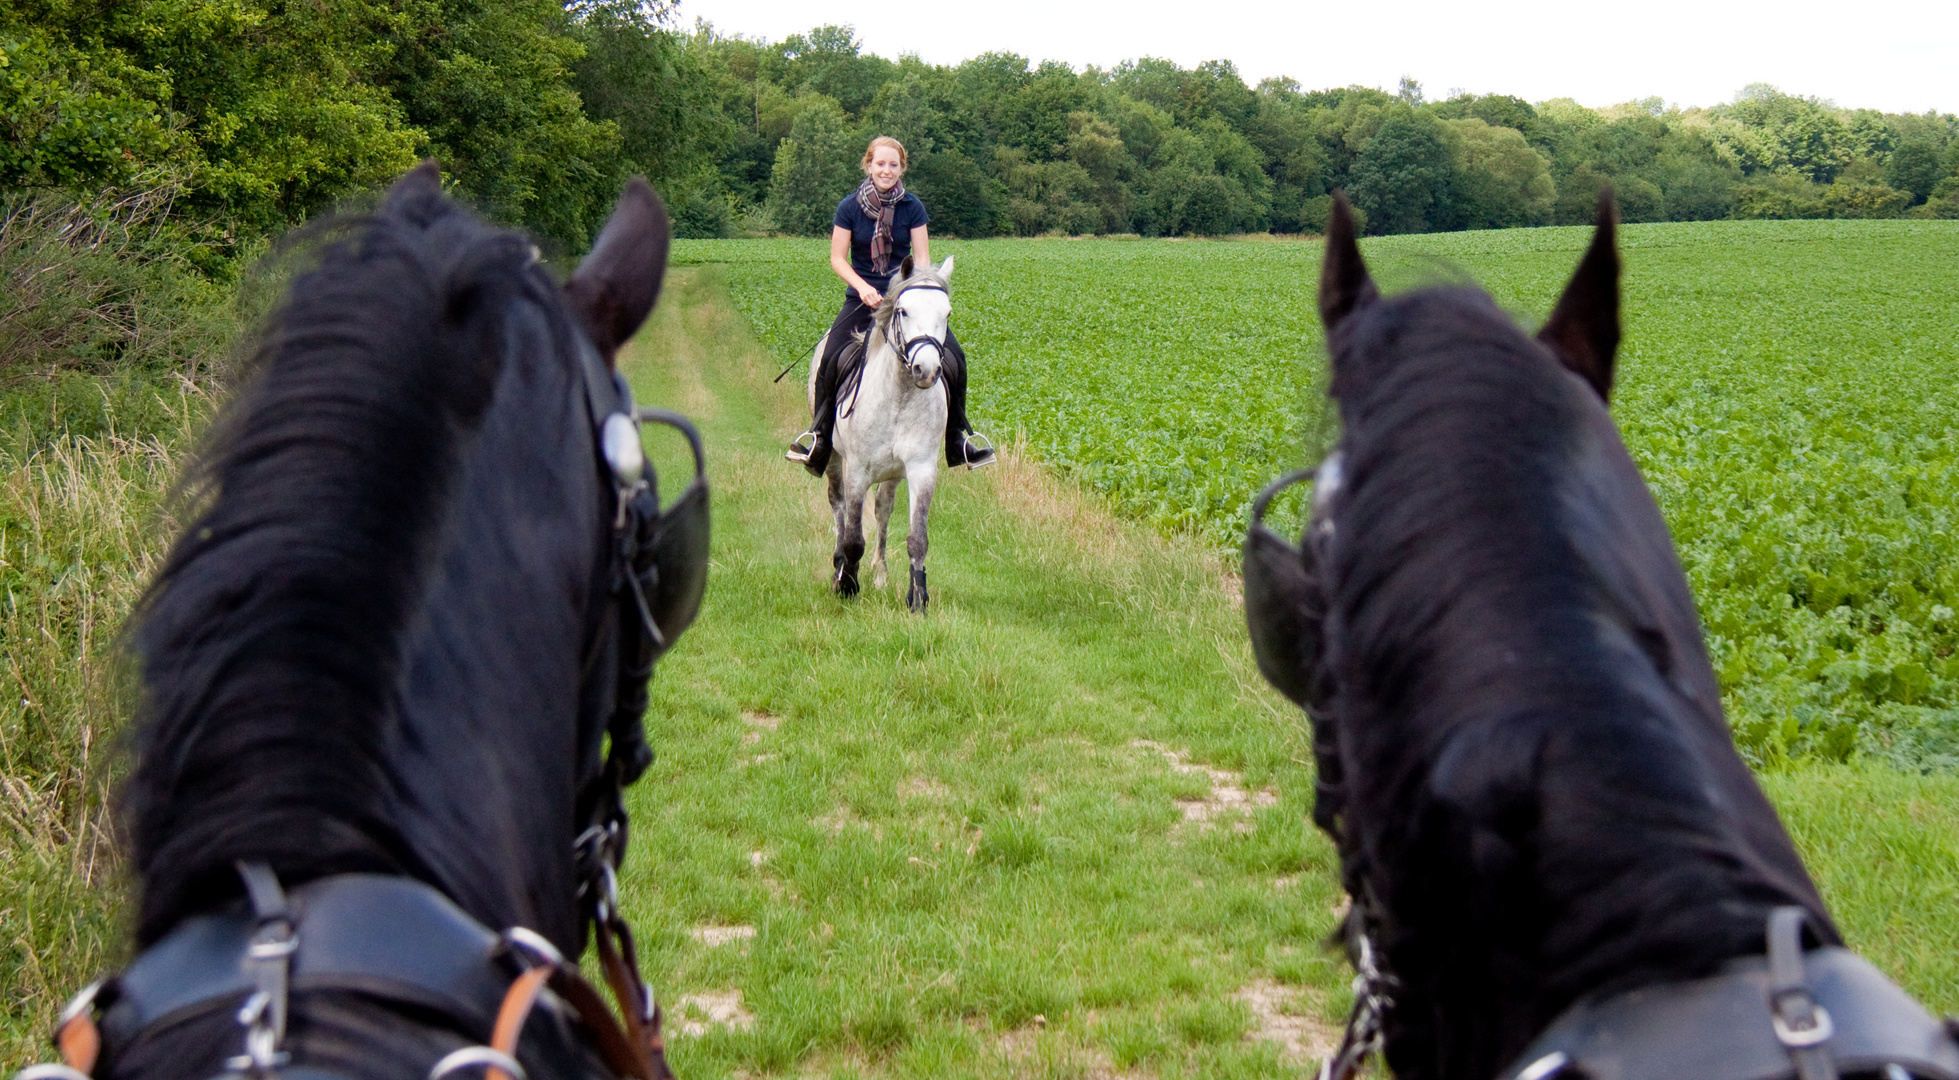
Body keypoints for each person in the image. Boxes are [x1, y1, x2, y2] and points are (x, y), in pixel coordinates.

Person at [787, 135, 994, 475]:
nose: (886, 170)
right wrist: (864, 287)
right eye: (880, 164)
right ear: (869, 165)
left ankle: (958, 440)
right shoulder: (849, 208)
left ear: (902, 169)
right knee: (832, 356)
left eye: (893, 165)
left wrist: (911, 294)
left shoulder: (913, 208)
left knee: (954, 357)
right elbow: (838, 259)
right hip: (863, 301)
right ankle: (819, 437)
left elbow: (923, 262)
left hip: (906, 303)